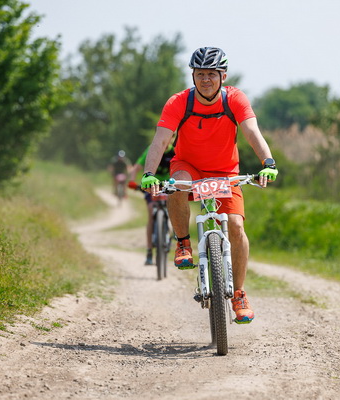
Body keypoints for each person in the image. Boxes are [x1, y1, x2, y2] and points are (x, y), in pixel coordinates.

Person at [140, 46, 278, 324]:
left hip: (225, 171)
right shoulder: (179, 102)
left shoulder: (235, 99)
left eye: (211, 74)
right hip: (188, 165)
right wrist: (149, 173)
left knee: (236, 227)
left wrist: (268, 163)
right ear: (192, 75)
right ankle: (183, 243)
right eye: (200, 74)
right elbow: (161, 140)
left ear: (223, 76)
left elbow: (252, 131)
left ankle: (239, 294)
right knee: (178, 184)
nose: (205, 80)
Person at [129, 144, 175, 265]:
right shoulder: (152, 149)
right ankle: (149, 251)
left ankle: (170, 233)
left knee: (172, 209)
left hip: (168, 185)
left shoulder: (174, 151)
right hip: (151, 186)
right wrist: (132, 181)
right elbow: (137, 167)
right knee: (151, 213)